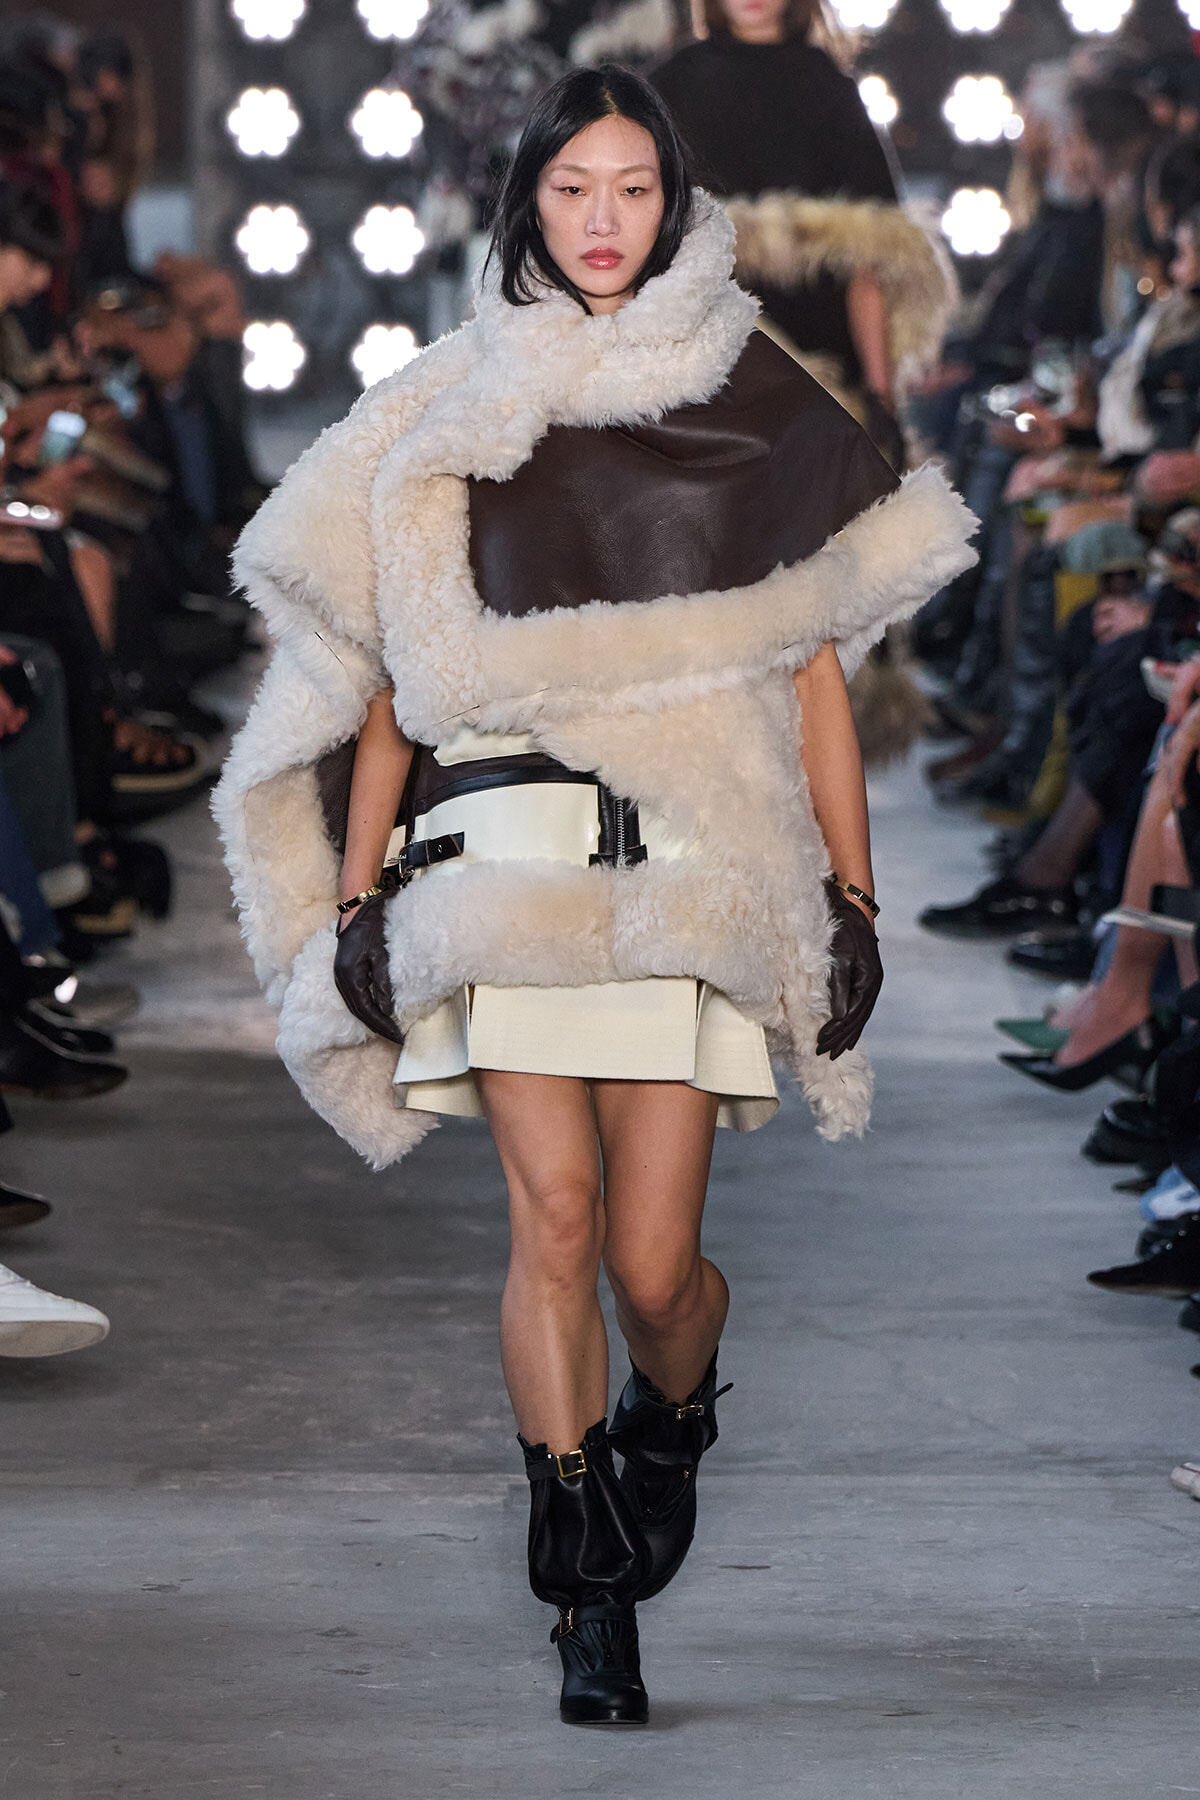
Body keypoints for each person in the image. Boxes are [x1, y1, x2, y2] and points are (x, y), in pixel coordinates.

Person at [216, 65, 975, 1727]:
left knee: (652, 1266)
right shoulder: (444, 400)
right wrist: (359, 900)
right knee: (552, 1217)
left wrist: (846, 896)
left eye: (632, 188)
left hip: (691, 854)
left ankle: (675, 1413)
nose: (604, 222)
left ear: (674, 200)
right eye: (573, 191)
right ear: (528, 205)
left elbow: (812, 676)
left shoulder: (751, 387)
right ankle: (583, 1587)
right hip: (496, 853)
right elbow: (396, 674)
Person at [649, 0, 953, 464]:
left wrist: (880, 396)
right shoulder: (669, 87)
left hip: (823, 348)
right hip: (702, 348)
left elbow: (871, 259)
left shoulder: (829, 87)